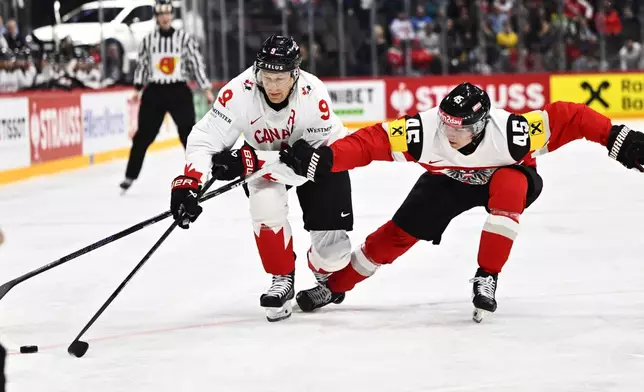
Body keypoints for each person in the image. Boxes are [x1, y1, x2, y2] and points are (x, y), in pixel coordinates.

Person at [279, 82, 644, 322]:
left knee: (509, 185)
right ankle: (335, 285)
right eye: (447, 125)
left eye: (461, 128)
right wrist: (325, 159)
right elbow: (369, 142)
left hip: (505, 178)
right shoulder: (423, 131)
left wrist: (617, 138)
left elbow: (571, 117)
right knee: (395, 235)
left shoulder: (513, 134)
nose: (451, 135)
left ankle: (487, 275)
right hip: (448, 182)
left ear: (483, 124)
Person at [169, 35, 354, 322]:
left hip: (322, 161)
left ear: (295, 74)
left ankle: (322, 268)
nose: (273, 86)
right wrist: (188, 183)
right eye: (267, 77)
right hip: (265, 161)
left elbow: (307, 164)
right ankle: (282, 276)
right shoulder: (238, 92)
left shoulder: (313, 94)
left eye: (280, 78)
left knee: (335, 256)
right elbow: (206, 139)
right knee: (265, 208)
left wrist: (249, 162)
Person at [120, 0, 215, 193]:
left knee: (188, 134)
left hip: (178, 90)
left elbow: (196, 64)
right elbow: (143, 66)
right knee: (143, 136)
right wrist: (138, 89)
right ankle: (130, 175)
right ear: (157, 16)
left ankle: (200, 172)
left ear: (172, 15)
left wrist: (205, 88)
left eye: (168, 13)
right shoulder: (148, 40)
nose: (165, 17)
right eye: (161, 13)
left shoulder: (184, 39)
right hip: (155, 91)